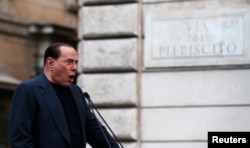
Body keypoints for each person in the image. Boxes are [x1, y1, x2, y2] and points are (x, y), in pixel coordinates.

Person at [9, 43, 119, 148]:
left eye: (76, 62)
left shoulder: (76, 92)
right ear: (50, 63)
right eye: (69, 62)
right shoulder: (28, 90)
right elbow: (20, 140)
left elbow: (97, 133)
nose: (75, 67)